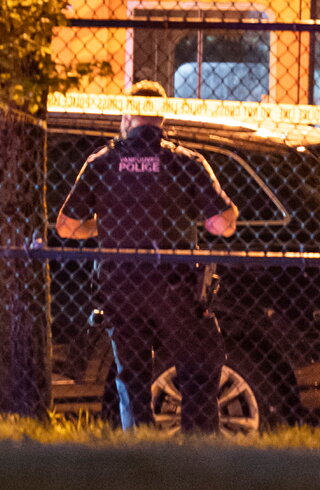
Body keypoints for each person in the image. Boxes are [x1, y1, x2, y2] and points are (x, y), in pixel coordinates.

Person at [55, 81, 239, 434]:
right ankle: (198, 452)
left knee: (133, 376)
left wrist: (105, 226)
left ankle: (141, 453)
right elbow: (219, 224)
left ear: (127, 116)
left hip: (120, 285)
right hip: (175, 285)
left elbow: (65, 227)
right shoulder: (185, 161)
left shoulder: (102, 162)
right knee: (198, 366)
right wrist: (224, 218)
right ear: (163, 119)